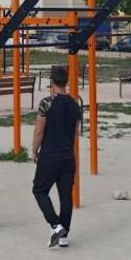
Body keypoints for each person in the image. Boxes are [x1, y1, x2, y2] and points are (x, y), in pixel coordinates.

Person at [31, 65, 82, 249]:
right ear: (66, 82)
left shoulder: (47, 102)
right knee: (65, 196)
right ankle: (63, 236)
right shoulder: (75, 104)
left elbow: (39, 131)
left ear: (52, 82)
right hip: (68, 156)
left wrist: (34, 150)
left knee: (39, 190)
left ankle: (56, 225)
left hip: (49, 155)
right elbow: (75, 132)